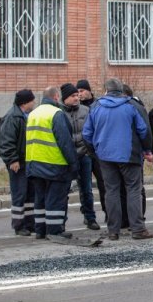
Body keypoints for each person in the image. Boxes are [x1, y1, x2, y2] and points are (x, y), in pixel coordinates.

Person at [82, 78, 153, 241]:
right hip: (129, 155)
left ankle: (113, 231)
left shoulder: (95, 107)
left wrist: (95, 152)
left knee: (111, 191)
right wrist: (147, 150)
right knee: (133, 190)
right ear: (121, 90)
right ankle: (137, 229)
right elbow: (144, 130)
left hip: (105, 156)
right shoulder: (132, 106)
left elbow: (86, 134)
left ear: (106, 90)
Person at [26, 87, 78, 239]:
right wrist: (73, 164)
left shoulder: (33, 114)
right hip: (54, 164)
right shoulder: (56, 114)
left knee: (40, 199)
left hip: (35, 163)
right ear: (56, 97)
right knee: (55, 199)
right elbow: (65, 142)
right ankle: (54, 230)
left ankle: (40, 230)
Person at [61, 83, 100, 231]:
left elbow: (92, 130)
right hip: (66, 156)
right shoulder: (59, 112)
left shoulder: (86, 110)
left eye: (77, 95)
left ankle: (90, 218)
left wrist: (88, 149)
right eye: (73, 96)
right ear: (65, 98)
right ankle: (61, 220)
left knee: (87, 189)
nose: (76, 98)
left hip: (84, 155)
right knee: (63, 190)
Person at [0, 89, 36, 237]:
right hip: (18, 163)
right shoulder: (13, 117)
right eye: (32, 100)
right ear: (25, 102)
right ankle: (19, 226)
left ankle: (29, 223)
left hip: (27, 162)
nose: (34, 102)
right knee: (19, 194)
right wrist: (12, 160)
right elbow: (6, 142)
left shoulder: (25, 116)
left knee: (29, 194)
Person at [77, 78, 107, 222]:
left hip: (98, 152)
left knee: (104, 184)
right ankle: (89, 216)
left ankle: (109, 213)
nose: (79, 94)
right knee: (85, 187)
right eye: (77, 92)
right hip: (83, 152)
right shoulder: (75, 108)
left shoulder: (98, 105)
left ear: (89, 91)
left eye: (82, 91)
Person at [119, 84, 148, 227]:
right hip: (132, 153)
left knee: (133, 189)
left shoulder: (134, 106)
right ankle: (134, 222)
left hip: (127, 154)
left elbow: (144, 130)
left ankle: (131, 221)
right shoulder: (135, 107)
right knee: (133, 189)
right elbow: (144, 131)